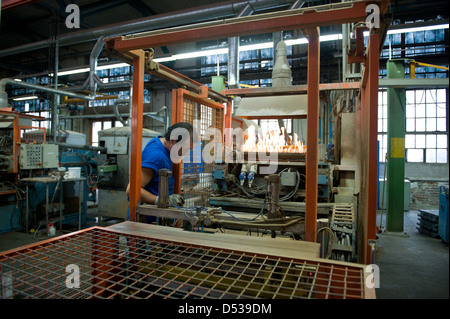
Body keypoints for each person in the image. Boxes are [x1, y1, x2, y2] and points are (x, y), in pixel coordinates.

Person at [126, 122, 194, 221]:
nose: (186, 153)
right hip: (145, 221)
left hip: (158, 217)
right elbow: (131, 190)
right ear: (173, 140)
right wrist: (162, 200)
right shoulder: (156, 156)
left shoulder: (162, 143)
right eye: (185, 148)